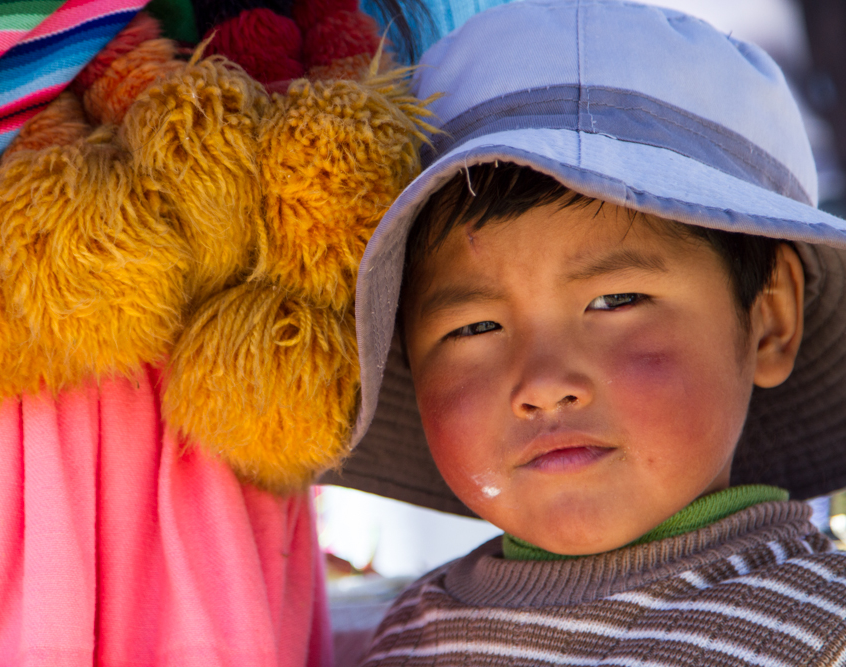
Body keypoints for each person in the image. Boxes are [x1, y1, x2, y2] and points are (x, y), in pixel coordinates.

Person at [342, 0, 846, 664]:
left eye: (614, 300)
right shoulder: (416, 630)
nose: (545, 383)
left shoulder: (816, 627)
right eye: (476, 325)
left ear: (771, 318)